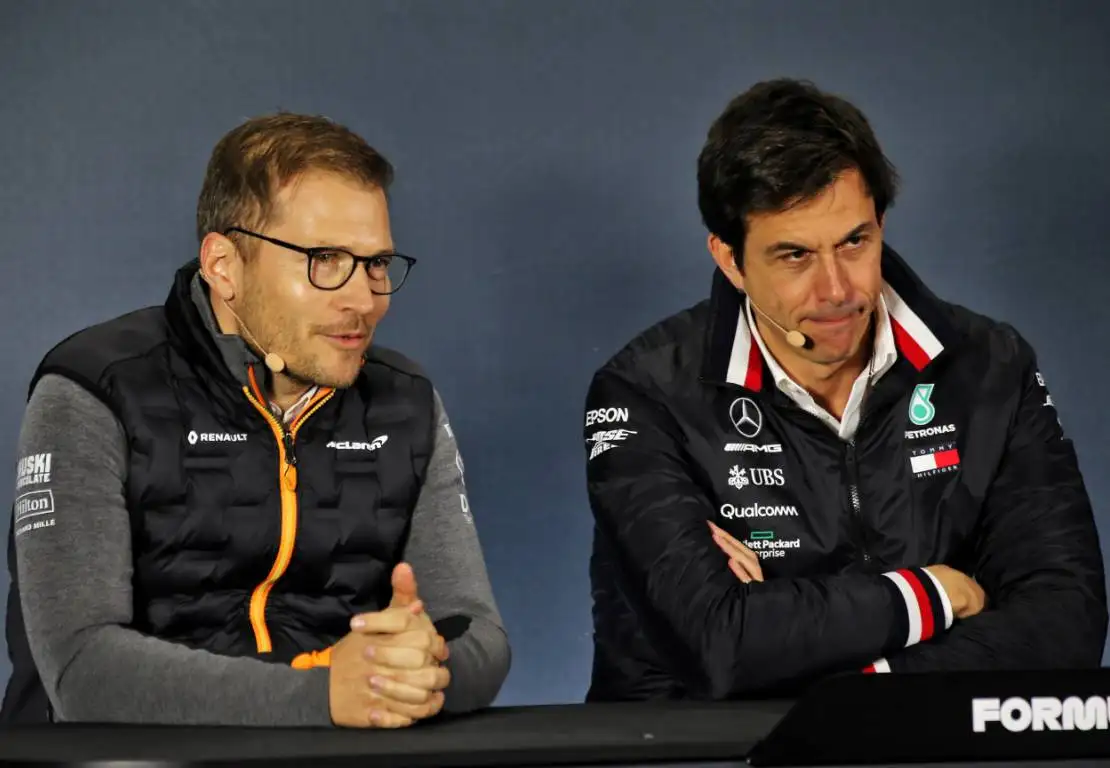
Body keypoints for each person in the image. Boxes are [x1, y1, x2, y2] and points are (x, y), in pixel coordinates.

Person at [583, 78, 1107, 701]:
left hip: (929, 740)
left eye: (854, 242)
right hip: (709, 748)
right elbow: (719, 641)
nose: (835, 289)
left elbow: (1066, 620)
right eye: (795, 256)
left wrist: (859, 692)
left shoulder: (991, 366)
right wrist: (936, 592)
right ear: (730, 260)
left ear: (880, 223)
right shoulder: (643, 394)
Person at [2, 113, 510, 726]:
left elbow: (478, 636)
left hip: (340, 756)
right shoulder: (93, 387)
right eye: (325, 259)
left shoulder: (406, 402)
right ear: (223, 265)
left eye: (376, 263)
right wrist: (324, 692)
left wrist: (418, 666)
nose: (364, 299)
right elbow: (82, 673)